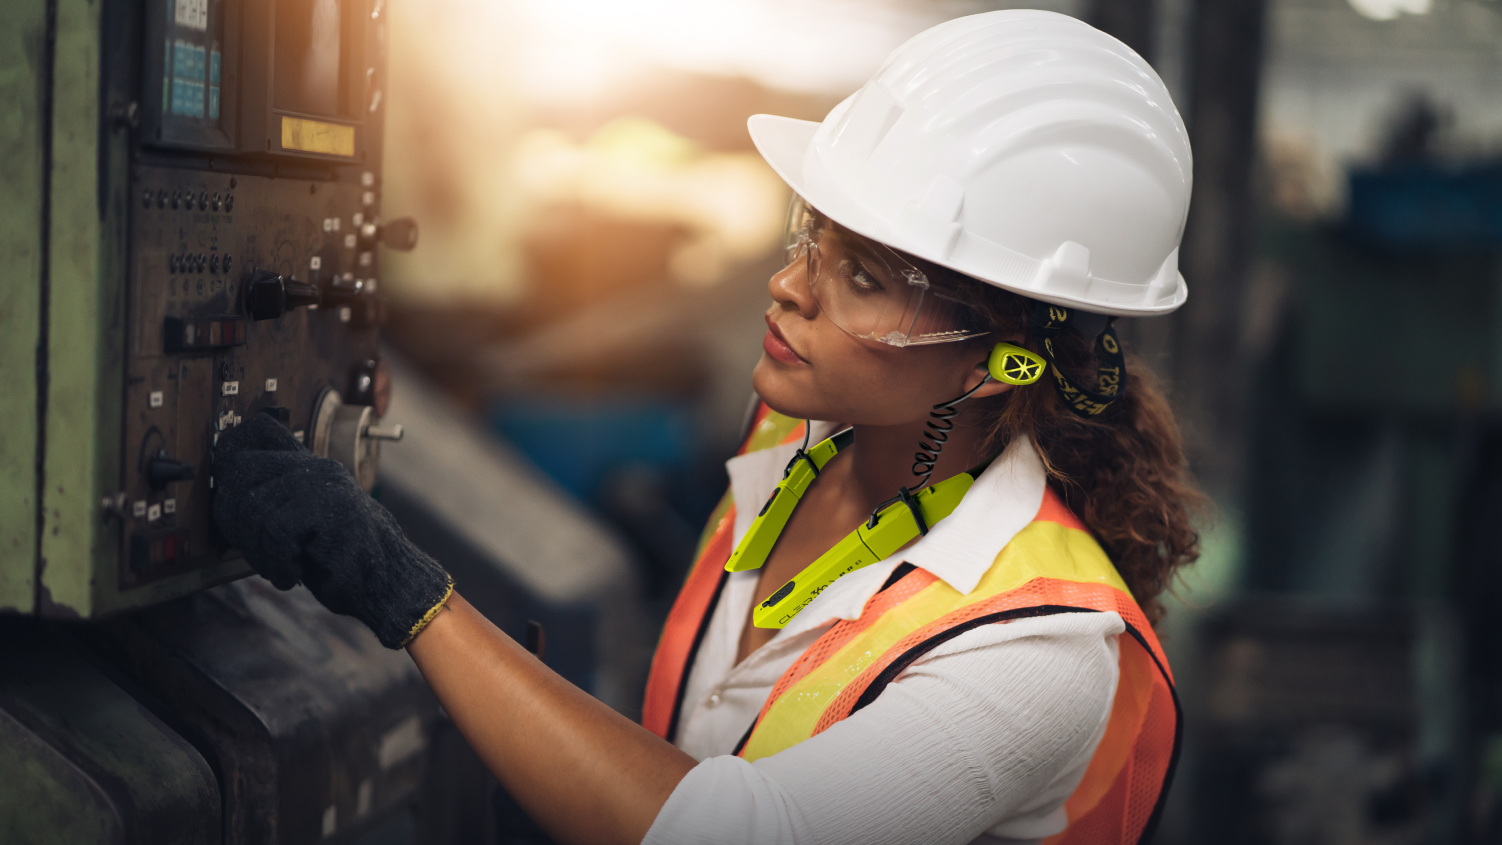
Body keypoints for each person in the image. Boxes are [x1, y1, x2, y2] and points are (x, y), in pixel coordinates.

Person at [212, 10, 1202, 845]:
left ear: (1001, 361)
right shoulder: (799, 429)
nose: (785, 284)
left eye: (860, 276)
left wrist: (403, 592)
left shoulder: (1037, 648)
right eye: (810, 233)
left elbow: (734, 826)